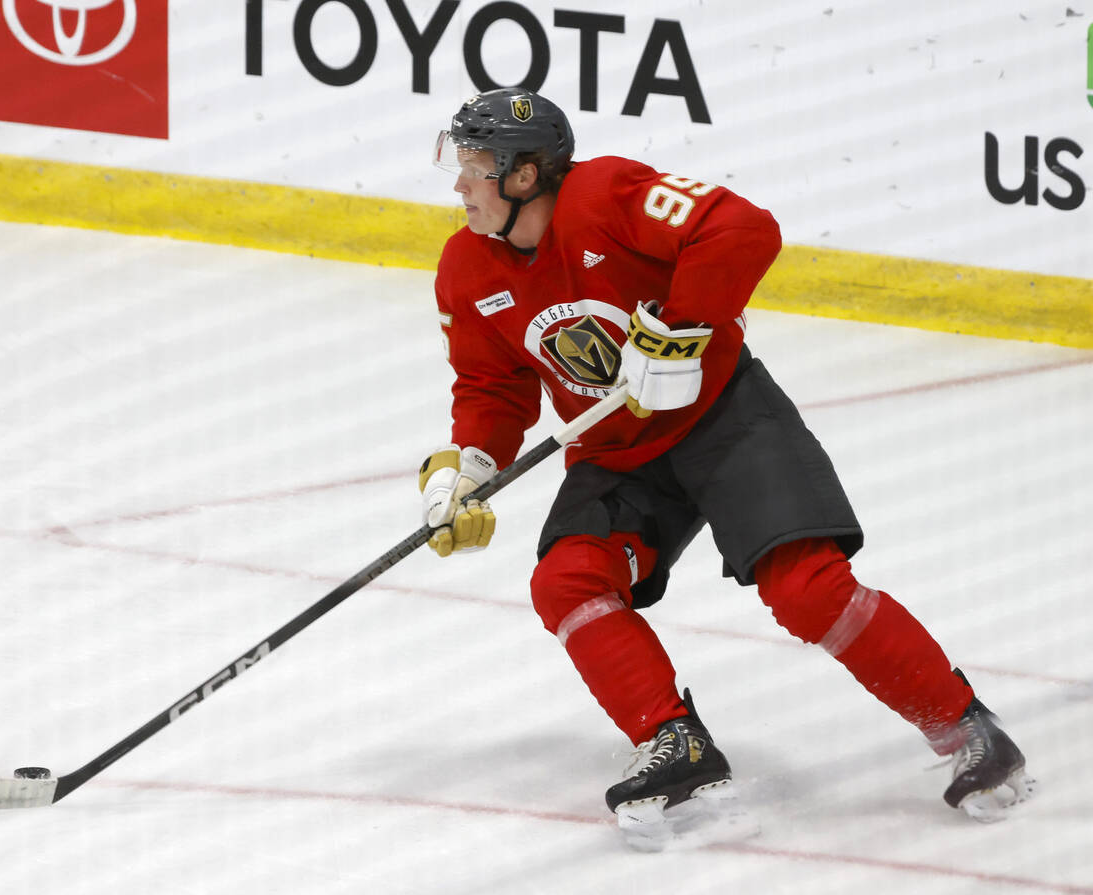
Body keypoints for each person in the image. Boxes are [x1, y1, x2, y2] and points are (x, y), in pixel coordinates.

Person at [418, 86, 1033, 843]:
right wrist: (467, 468)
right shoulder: (465, 268)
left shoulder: (607, 193)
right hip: (618, 452)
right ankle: (675, 740)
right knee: (565, 578)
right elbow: (492, 386)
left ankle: (966, 726)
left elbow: (741, 229)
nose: (458, 186)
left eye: (473, 167)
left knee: (806, 588)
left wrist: (680, 332)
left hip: (725, 416)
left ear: (523, 176)